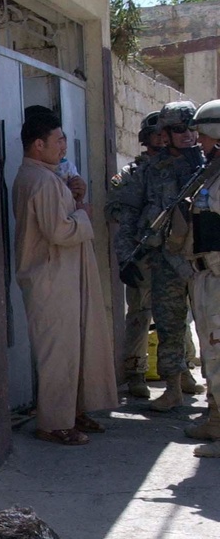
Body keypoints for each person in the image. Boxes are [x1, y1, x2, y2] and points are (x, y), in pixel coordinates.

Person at [12, 108, 117, 445]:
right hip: (50, 277)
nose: (63, 148)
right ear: (38, 145)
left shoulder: (48, 176)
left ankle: (73, 413)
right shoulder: (40, 180)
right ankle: (54, 423)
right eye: (58, 141)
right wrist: (84, 215)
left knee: (76, 346)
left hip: (63, 276)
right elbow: (58, 230)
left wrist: (74, 195)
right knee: (58, 352)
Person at [111, 100, 205, 413]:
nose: (187, 135)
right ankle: (173, 387)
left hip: (205, 260)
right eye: (178, 129)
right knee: (168, 324)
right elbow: (129, 214)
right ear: (164, 133)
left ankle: (212, 395)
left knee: (210, 327)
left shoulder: (208, 164)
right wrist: (125, 258)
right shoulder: (149, 170)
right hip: (166, 259)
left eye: (192, 128)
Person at [106, 111, 166, 400]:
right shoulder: (134, 175)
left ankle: (179, 373)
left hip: (175, 254)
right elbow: (119, 215)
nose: (162, 139)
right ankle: (135, 372)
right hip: (143, 253)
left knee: (175, 314)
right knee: (141, 315)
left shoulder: (182, 169)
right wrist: (125, 257)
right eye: (157, 134)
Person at [182, 99, 220, 456]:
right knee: (211, 350)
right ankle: (215, 419)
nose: (200, 144)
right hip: (207, 275)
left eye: (203, 136)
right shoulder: (212, 172)